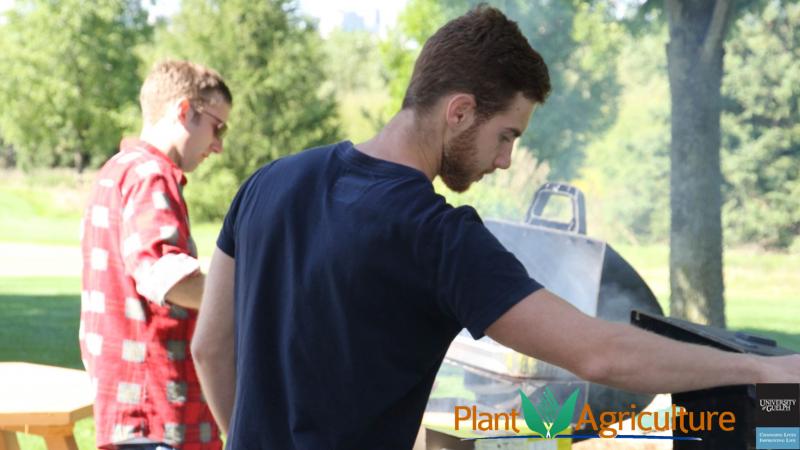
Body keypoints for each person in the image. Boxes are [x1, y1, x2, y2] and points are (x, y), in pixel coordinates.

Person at [193, 6, 800, 449]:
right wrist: (764, 372)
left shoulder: (269, 183)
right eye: (505, 135)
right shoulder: (437, 237)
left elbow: (210, 346)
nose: (505, 158)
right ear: (459, 110)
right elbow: (597, 352)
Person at [80, 60, 232, 450]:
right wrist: (253, 287)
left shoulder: (117, 171)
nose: (218, 145)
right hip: (157, 418)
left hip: (132, 415)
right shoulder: (151, 175)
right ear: (184, 111)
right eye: (218, 127)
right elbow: (167, 276)